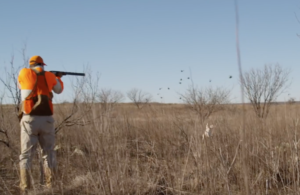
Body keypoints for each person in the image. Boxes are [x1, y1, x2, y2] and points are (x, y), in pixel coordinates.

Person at [18, 55, 64, 193]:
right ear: (43, 65)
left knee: (26, 155)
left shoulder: (24, 72)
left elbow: (20, 85)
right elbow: (58, 90)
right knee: (49, 153)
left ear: (30, 64)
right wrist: (58, 78)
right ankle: (51, 187)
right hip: (47, 119)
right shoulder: (50, 76)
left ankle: (25, 189)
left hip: (29, 119)